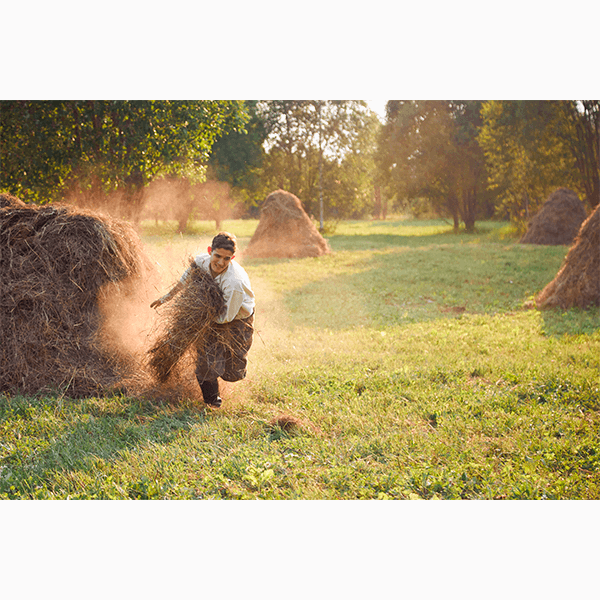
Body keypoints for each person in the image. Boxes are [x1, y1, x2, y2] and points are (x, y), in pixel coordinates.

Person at [151, 232, 255, 408]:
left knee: (233, 373)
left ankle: (222, 365)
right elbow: (185, 280)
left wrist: (200, 321)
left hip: (237, 319)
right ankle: (213, 401)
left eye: (227, 259)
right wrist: (166, 298)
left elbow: (226, 317)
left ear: (233, 258)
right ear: (210, 251)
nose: (221, 262)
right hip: (212, 316)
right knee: (206, 363)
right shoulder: (201, 262)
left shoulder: (234, 282)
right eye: (217, 256)